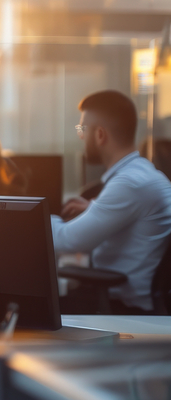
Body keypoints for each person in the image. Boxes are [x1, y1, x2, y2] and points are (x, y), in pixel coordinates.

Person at [53, 90, 171, 313]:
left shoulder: (129, 184)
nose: (79, 135)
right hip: (119, 299)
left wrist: (30, 219)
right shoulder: (144, 174)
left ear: (99, 135)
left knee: (28, 310)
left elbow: (67, 241)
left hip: (122, 307)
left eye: (81, 129)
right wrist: (93, 209)